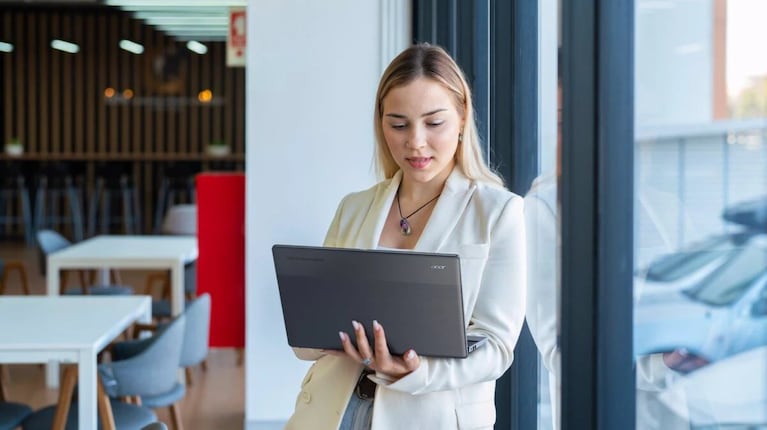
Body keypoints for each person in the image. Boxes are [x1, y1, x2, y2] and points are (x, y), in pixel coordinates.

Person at [285, 43, 527, 430]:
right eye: (398, 124)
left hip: (429, 415)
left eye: (434, 123)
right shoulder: (354, 207)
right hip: (333, 412)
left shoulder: (498, 213)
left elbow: (496, 348)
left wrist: (414, 371)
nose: (415, 142)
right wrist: (324, 332)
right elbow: (308, 337)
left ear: (463, 117)